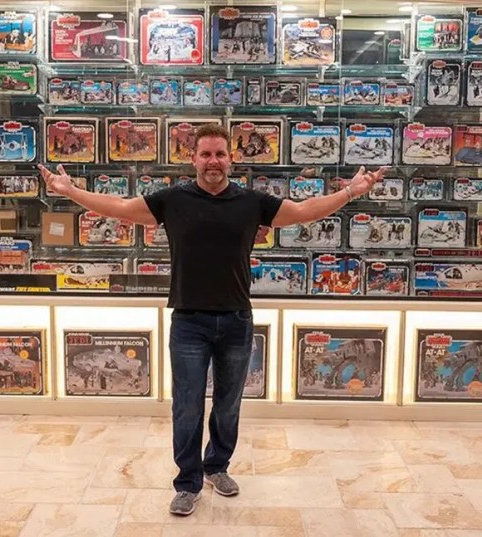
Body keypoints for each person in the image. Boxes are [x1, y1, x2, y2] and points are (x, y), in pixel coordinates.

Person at [38, 123, 386, 517]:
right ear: (193, 159)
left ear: (231, 159)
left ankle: (216, 466)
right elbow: (118, 208)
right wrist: (69, 191)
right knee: (187, 405)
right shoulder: (172, 200)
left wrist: (350, 192)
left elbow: (305, 211)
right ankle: (187, 482)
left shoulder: (253, 202)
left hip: (236, 319)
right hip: (188, 319)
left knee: (228, 404)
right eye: (205, 154)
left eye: (220, 154)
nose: (213, 161)